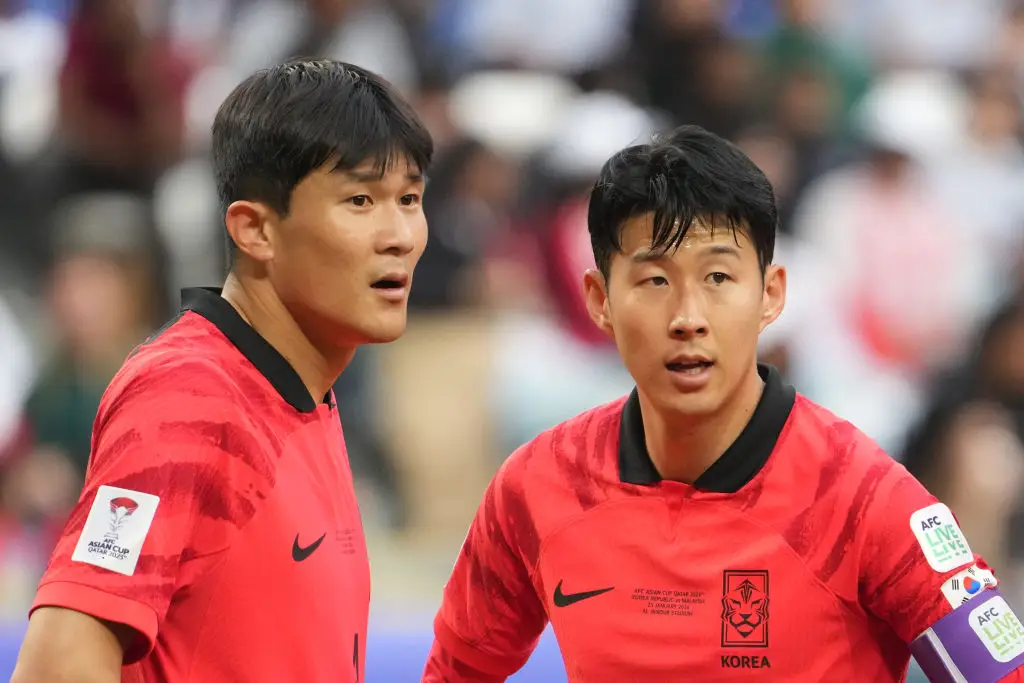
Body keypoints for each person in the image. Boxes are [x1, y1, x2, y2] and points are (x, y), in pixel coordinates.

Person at [422, 125, 1024, 682]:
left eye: (718, 278)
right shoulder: (536, 485)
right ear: (600, 300)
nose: (688, 318)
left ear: (771, 295)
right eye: (655, 281)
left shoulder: (864, 497)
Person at [11, 58, 432, 683]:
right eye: (361, 200)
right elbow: (57, 665)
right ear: (254, 229)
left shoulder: (303, 392)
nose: (399, 235)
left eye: (410, 199)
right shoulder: (190, 395)